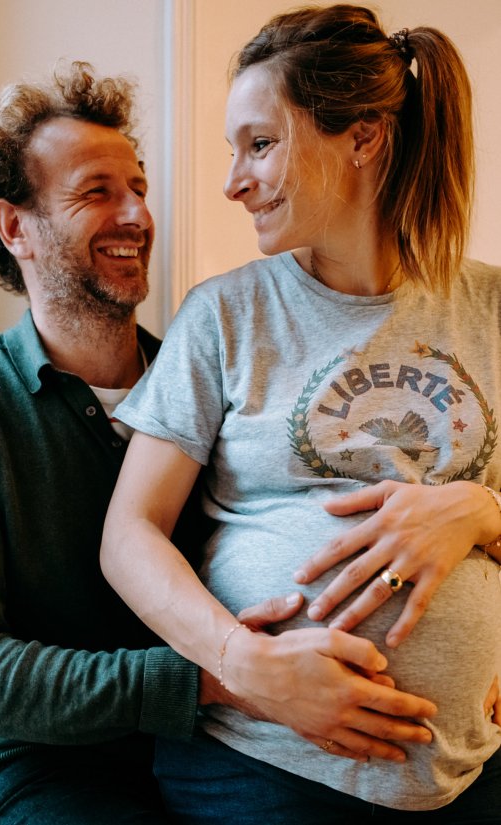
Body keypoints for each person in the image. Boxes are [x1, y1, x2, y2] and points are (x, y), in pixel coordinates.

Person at [0, 59, 438, 825]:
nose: (136, 216)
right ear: (16, 228)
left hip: (216, 748)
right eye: (96, 193)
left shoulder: (202, 369)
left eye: (138, 188)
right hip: (35, 766)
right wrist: (217, 678)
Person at [100, 4, 501, 822]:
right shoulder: (224, 315)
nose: (232, 180)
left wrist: (480, 510)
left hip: (469, 774)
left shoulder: (491, 307)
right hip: (261, 767)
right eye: (232, 148)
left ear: (362, 137)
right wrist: (243, 662)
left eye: (261, 143)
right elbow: (128, 534)